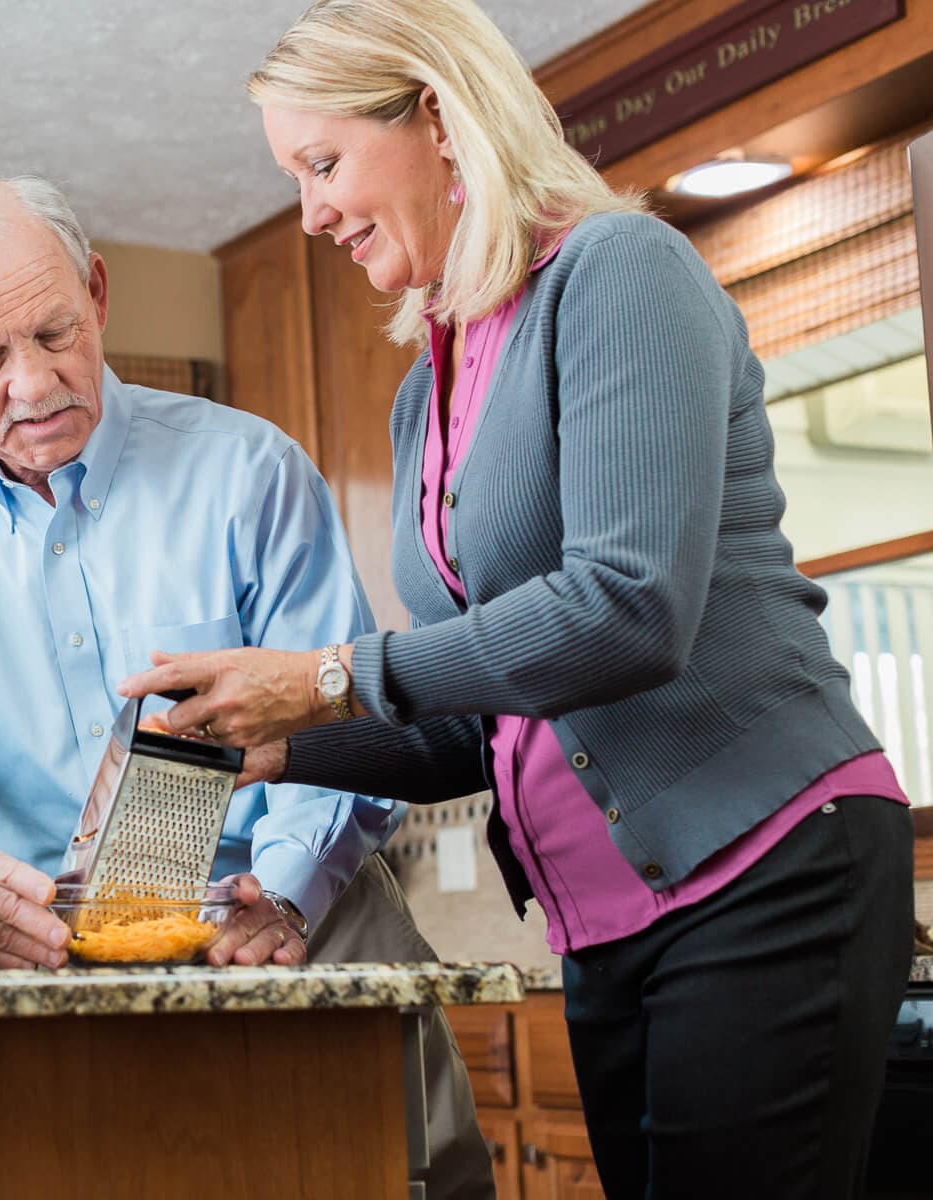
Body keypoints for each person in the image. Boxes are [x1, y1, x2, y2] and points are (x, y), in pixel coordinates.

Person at [118, 3, 913, 1198]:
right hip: (604, 919)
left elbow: (627, 608)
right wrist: (276, 742)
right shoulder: (421, 395)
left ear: (438, 118)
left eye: (324, 164)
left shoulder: (618, 271)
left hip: (766, 862)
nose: (313, 213)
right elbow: (474, 728)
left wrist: (330, 673)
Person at [0, 175, 495, 1199]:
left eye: (54, 332)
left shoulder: (249, 471)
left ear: (99, 293)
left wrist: (289, 893)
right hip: (61, 961)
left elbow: (340, 716)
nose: (32, 385)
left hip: (307, 921)